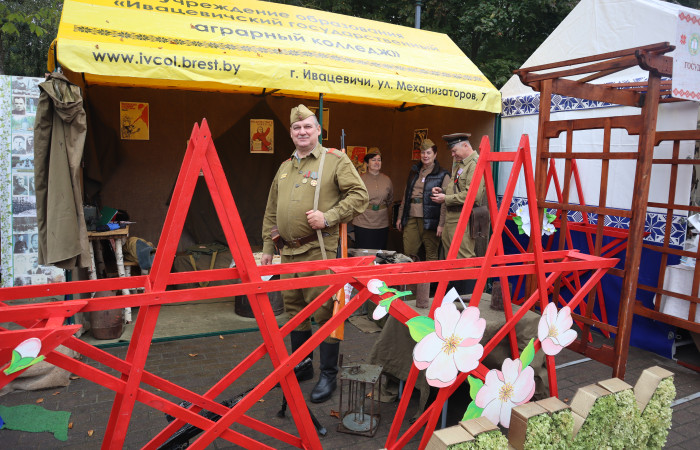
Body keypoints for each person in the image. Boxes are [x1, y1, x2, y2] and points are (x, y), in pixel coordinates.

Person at [261, 104, 368, 403]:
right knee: (295, 313)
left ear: (318, 130)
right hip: (288, 254)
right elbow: (271, 210)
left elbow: (360, 195)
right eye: (297, 128)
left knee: (324, 314)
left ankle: (328, 374)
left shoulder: (334, 161)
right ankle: (302, 366)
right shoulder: (285, 167)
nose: (302, 131)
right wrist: (268, 247)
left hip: (319, 252)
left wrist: (329, 217)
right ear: (291, 133)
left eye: (308, 126)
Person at [430, 133, 486, 259]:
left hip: (463, 217)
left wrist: (445, 198)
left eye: (454, 150)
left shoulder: (475, 164)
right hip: (451, 217)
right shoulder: (460, 163)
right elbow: (456, 187)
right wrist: (442, 191)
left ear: (465, 145)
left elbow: (473, 195)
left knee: (463, 258)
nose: (452, 154)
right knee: (450, 257)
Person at [396, 139, 450, 262]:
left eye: (428, 153)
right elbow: (406, 195)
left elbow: (445, 202)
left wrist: (441, 224)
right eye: (423, 152)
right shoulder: (414, 171)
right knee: (408, 253)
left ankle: (431, 276)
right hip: (411, 216)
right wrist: (400, 216)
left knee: (431, 254)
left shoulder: (443, 174)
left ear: (435, 155)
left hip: (431, 219)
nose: (425, 156)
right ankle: (410, 276)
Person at [352, 150, 393, 250]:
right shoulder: (360, 179)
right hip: (363, 222)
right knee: (364, 253)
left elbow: (390, 199)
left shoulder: (387, 179)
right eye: (373, 160)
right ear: (367, 163)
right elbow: (354, 200)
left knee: (380, 253)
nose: (377, 162)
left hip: (382, 223)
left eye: (379, 160)